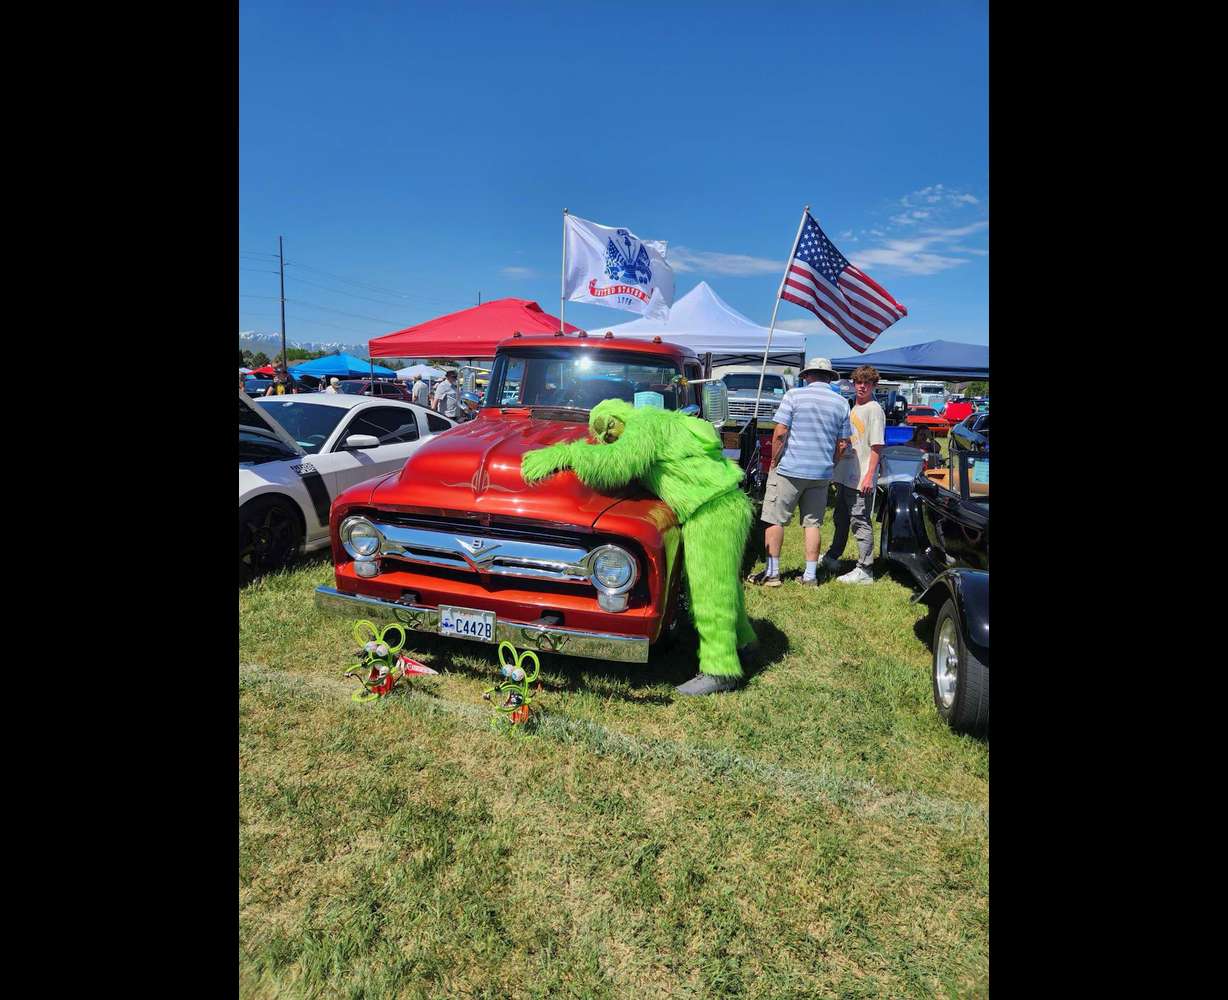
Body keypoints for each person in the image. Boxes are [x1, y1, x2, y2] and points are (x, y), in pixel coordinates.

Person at [748, 357, 852, 588]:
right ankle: (810, 576)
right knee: (812, 523)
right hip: (821, 471)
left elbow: (781, 431)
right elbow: (844, 443)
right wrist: (831, 463)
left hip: (790, 468)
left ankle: (773, 574)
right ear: (829, 378)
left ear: (807, 376)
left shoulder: (794, 396)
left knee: (775, 520)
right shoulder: (841, 402)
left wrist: (774, 459)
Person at [824, 365, 886, 585]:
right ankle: (833, 556)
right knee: (840, 518)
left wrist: (869, 476)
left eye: (867, 383)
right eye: (859, 382)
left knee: (860, 521)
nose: (862, 386)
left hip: (861, 477)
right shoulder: (853, 408)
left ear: (873, 385)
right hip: (845, 473)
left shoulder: (874, 409)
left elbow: (877, 446)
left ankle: (865, 569)